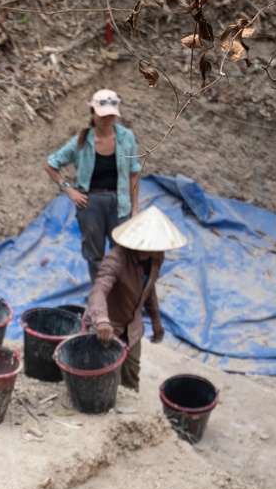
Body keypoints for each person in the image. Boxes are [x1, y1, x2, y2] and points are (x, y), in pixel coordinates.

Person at [44, 88, 144, 284]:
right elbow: (50, 164)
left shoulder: (126, 138)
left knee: (122, 250)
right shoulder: (81, 142)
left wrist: (135, 209)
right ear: (92, 114)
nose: (106, 120)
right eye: (101, 115)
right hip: (90, 204)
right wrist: (69, 189)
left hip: (120, 201)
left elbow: (134, 174)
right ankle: (100, 294)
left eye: (110, 116)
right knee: (95, 254)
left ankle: (120, 292)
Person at [85, 205, 187, 392]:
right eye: (149, 247)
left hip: (132, 326)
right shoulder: (116, 259)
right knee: (101, 374)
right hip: (108, 326)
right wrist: (101, 320)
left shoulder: (156, 257)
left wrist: (156, 320)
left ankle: (132, 411)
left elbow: (148, 287)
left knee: (131, 375)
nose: (154, 252)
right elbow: (99, 290)